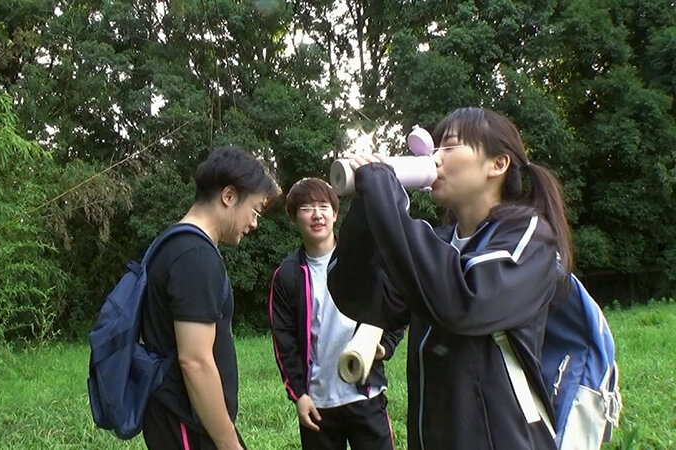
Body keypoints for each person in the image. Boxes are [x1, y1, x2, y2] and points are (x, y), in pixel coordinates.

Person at [328, 107, 573, 450]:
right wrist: (367, 211)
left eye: (450, 146)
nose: (434, 158)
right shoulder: (440, 243)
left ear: (497, 164)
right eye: (434, 147)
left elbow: (465, 300)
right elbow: (365, 300)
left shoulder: (529, 236)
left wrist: (386, 193)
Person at [141, 147, 280, 450]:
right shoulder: (195, 256)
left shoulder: (176, 244)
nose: (254, 223)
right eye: (255, 210)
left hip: (185, 419)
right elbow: (195, 361)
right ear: (229, 196)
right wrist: (229, 444)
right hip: (187, 423)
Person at [269, 177, 404, 450]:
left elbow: (397, 305)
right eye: (307, 208)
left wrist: (385, 346)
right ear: (294, 217)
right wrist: (299, 395)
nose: (317, 215)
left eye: (323, 206)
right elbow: (284, 342)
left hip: (365, 395)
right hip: (318, 405)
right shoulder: (287, 276)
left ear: (335, 214)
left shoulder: (363, 261)